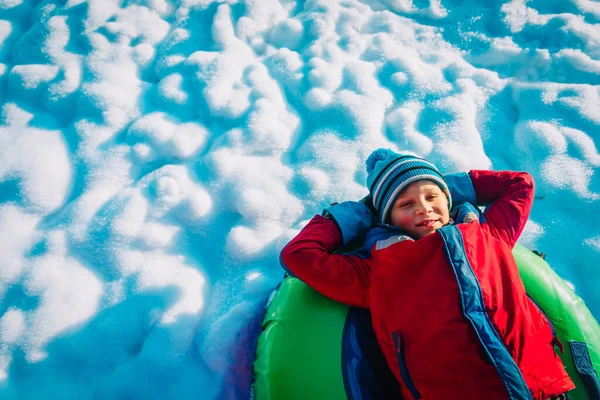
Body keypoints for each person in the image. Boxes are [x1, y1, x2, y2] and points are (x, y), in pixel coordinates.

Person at [280, 148, 574, 400]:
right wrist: (357, 213)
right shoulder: (377, 270)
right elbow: (300, 256)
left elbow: (520, 184)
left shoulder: (487, 234)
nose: (425, 209)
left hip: (541, 389)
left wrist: (450, 186)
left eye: (432, 197)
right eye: (406, 204)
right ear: (387, 218)